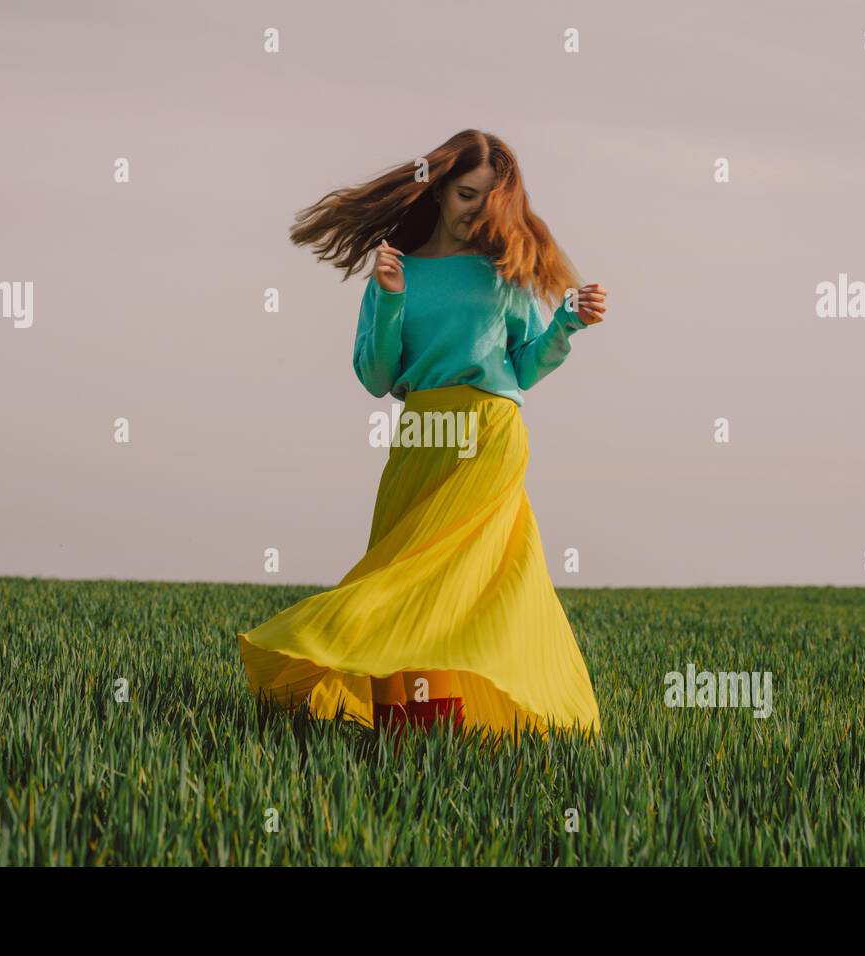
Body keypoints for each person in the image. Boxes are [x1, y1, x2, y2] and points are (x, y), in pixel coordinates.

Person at [236, 129, 608, 749]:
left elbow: (524, 367)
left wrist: (566, 323)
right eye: (465, 194)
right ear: (437, 189)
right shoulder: (396, 272)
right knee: (398, 578)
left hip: (489, 436)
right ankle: (406, 738)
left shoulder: (502, 275)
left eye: (488, 200)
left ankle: (441, 740)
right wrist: (388, 298)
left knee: (451, 583)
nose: (474, 210)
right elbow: (378, 377)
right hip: (420, 436)